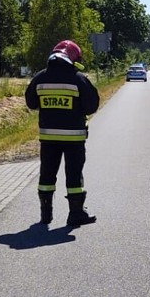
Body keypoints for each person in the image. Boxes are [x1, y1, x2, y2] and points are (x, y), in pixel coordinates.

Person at [25, 40, 100, 226]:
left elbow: (31, 102)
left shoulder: (40, 77)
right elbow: (92, 106)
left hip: (48, 138)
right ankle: (75, 215)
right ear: (73, 58)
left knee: (46, 176)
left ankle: (45, 215)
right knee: (74, 176)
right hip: (74, 138)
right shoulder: (78, 78)